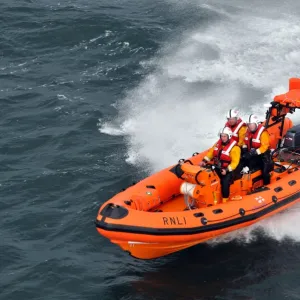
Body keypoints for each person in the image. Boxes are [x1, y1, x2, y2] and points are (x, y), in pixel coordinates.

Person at [199, 127, 241, 203]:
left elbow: (235, 163)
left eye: (225, 136)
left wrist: (226, 170)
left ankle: (225, 199)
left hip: (229, 170)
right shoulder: (218, 144)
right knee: (206, 175)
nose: (223, 138)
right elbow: (211, 153)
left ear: (229, 136)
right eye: (221, 136)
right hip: (217, 167)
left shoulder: (235, 148)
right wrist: (204, 161)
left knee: (225, 182)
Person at [242, 114, 273, 185]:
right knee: (246, 164)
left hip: (264, 156)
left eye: (252, 124)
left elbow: (265, 147)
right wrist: (245, 149)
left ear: (256, 124)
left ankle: (267, 184)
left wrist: (255, 152)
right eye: (249, 124)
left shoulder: (263, 133)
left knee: (265, 172)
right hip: (253, 154)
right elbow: (245, 141)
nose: (250, 126)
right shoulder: (248, 131)